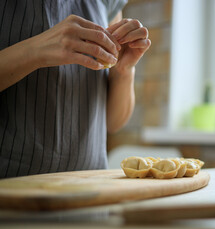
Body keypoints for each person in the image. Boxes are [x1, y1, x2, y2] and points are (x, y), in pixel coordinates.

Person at [0, 0, 151, 178]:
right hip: (10, 187)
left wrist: (124, 71)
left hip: (93, 191)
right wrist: (35, 50)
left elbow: (113, 122)